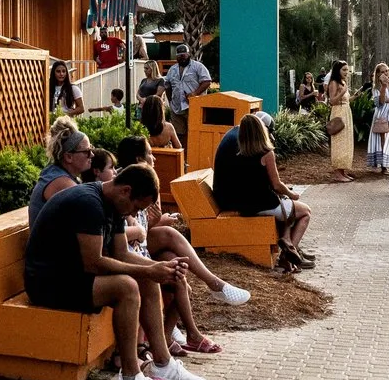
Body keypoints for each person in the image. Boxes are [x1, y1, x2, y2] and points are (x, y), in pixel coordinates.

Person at [23, 165, 206, 380]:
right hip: (48, 283)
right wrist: (149, 268)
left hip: (72, 277)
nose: (135, 213)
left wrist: (159, 269)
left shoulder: (113, 203)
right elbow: (94, 263)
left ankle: (163, 364)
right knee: (126, 287)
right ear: (126, 191)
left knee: (147, 279)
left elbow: (121, 253)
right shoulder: (88, 203)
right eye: (137, 207)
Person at [106, 137, 249, 336]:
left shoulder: (146, 180)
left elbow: (144, 223)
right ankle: (189, 330)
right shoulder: (127, 186)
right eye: (149, 153)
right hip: (131, 249)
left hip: (140, 244)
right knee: (166, 265)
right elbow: (129, 229)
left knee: (173, 258)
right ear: (139, 158)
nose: (154, 157)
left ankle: (177, 329)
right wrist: (142, 227)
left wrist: (157, 220)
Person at [213, 111, 316, 269]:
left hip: (237, 201)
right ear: (262, 130)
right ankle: (288, 255)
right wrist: (291, 194)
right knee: (304, 212)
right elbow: (276, 185)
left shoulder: (238, 146)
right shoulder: (265, 152)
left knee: (286, 208)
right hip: (260, 204)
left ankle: (288, 246)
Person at [29, 119, 93, 223]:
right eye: (87, 151)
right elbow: (93, 218)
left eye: (92, 149)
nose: (92, 155)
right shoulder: (62, 183)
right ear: (68, 157)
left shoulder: (54, 173)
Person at [324, 60, 355, 178]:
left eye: (347, 70)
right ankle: (337, 173)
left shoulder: (342, 82)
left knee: (346, 142)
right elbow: (332, 101)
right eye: (344, 70)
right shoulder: (333, 83)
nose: (346, 72)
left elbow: (345, 100)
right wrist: (342, 91)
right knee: (339, 142)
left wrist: (354, 97)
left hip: (346, 112)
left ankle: (343, 171)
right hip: (338, 113)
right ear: (338, 70)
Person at [366, 62, 389, 172]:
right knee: (382, 139)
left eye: (387, 71)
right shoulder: (377, 87)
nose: (385, 73)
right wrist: (384, 87)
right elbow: (379, 102)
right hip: (382, 115)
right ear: (378, 74)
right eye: (382, 72)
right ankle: (384, 167)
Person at [165, 45, 212, 120]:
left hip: (194, 106)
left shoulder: (198, 67)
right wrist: (170, 101)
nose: (182, 58)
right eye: (179, 56)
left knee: (193, 130)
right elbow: (167, 85)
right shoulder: (172, 69)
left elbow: (207, 81)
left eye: (184, 55)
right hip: (177, 108)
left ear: (189, 54)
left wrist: (195, 93)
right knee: (178, 131)